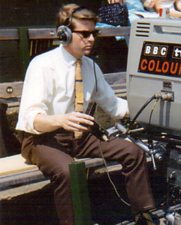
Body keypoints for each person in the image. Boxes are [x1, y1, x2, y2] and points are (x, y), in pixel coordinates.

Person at [16, 3, 156, 225]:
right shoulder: (42, 65)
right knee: (69, 171)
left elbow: (114, 107)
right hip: (41, 139)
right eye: (84, 34)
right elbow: (31, 119)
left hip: (80, 138)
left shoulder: (91, 67)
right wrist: (61, 119)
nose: (91, 39)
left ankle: (144, 215)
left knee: (132, 151)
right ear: (64, 34)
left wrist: (152, 108)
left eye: (94, 33)